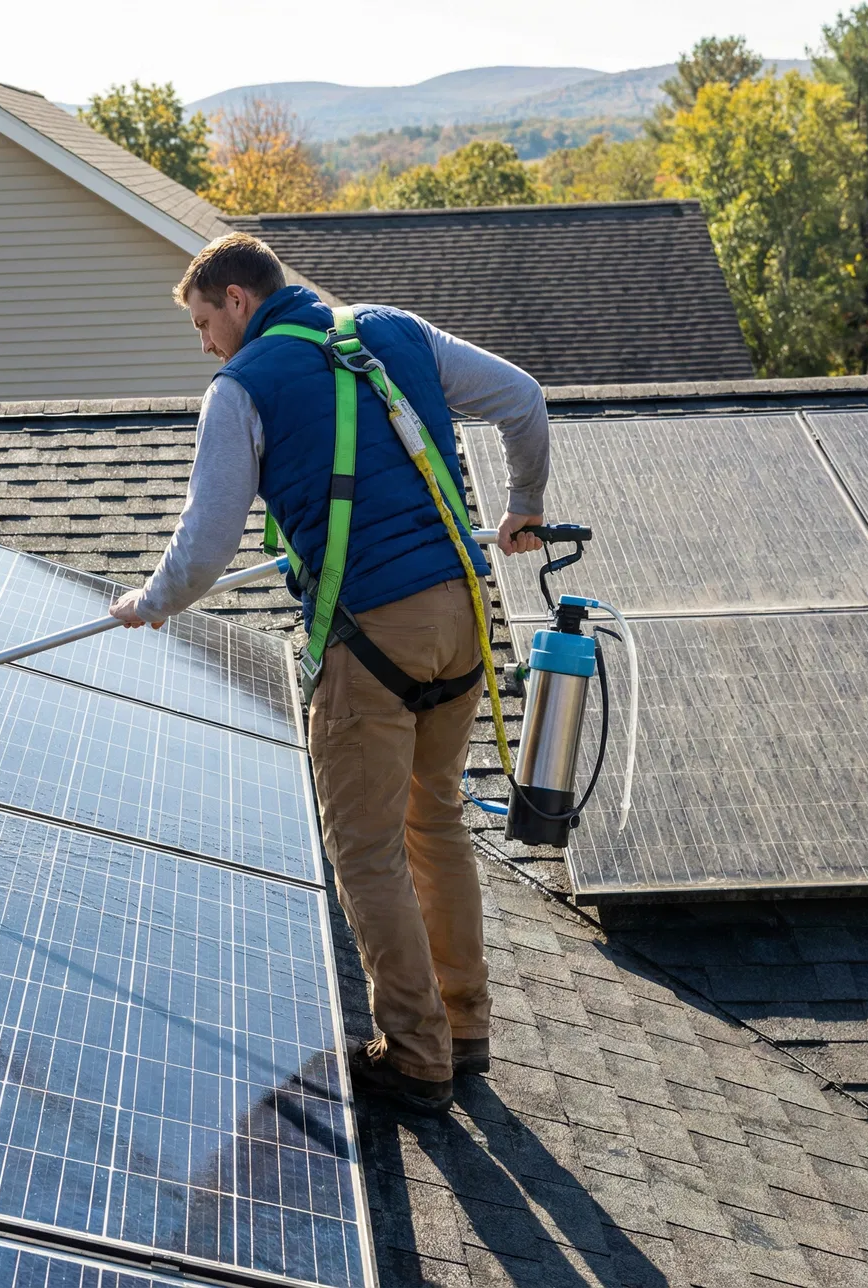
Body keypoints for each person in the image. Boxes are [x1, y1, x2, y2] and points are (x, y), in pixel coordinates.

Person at [109, 233, 549, 1114]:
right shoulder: (394, 331)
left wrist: (151, 602)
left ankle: (417, 1056)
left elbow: (203, 547)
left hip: (371, 639)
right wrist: (525, 507)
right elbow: (524, 400)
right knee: (437, 818)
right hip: (463, 619)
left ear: (238, 300)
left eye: (204, 322)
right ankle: (466, 1028)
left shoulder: (241, 390)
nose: (204, 344)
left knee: (368, 849)